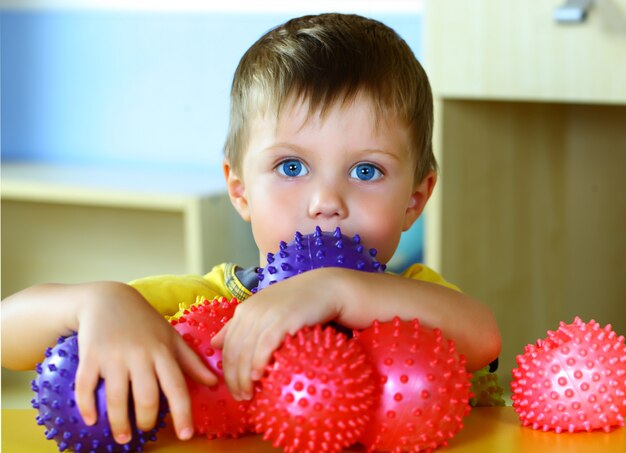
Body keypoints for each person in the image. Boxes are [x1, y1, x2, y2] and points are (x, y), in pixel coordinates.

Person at [1, 13, 502, 445]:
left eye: (366, 171)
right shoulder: (204, 309)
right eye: (290, 167)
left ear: (415, 200)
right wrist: (100, 304)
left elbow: (483, 337)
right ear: (239, 190)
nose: (326, 202)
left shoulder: (410, 302)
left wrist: (338, 288)